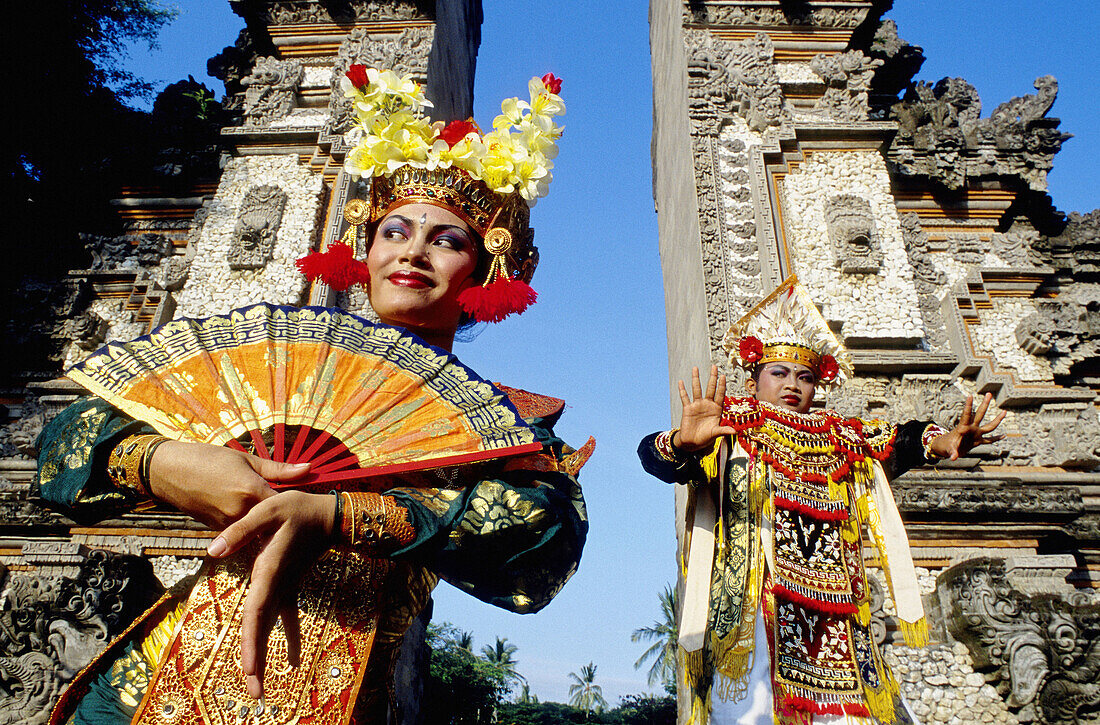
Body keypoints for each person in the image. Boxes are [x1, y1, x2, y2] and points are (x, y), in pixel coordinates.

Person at [37, 68, 589, 725]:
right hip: (141, 693)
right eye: (394, 230)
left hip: (336, 701)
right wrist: (160, 462)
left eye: (447, 241)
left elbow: (543, 538)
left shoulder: (505, 423)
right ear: (366, 245)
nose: (413, 252)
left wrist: (339, 514)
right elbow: (62, 446)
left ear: (487, 267)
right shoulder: (273, 369)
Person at [638, 277, 1004, 725]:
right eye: (779, 372)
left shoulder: (840, 435)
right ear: (754, 378)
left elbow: (901, 440)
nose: (793, 384)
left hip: (838, 609)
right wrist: (683, 442)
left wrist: (942, 441)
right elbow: (658, 459)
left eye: (805, 376)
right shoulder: (730, 426)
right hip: (755, 599)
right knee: (750, 710)